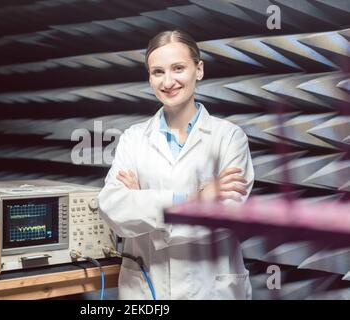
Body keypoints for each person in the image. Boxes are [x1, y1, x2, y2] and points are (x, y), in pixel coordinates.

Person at [98, 30, 254, 300]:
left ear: (199, 69)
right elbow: (112, 209)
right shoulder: (134, 138)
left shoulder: (229, 138)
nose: (168, 81)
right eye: (157, 72)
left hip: (210, 290)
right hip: (147, 293)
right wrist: (194, 199)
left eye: (178, 68)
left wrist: (142, 203)